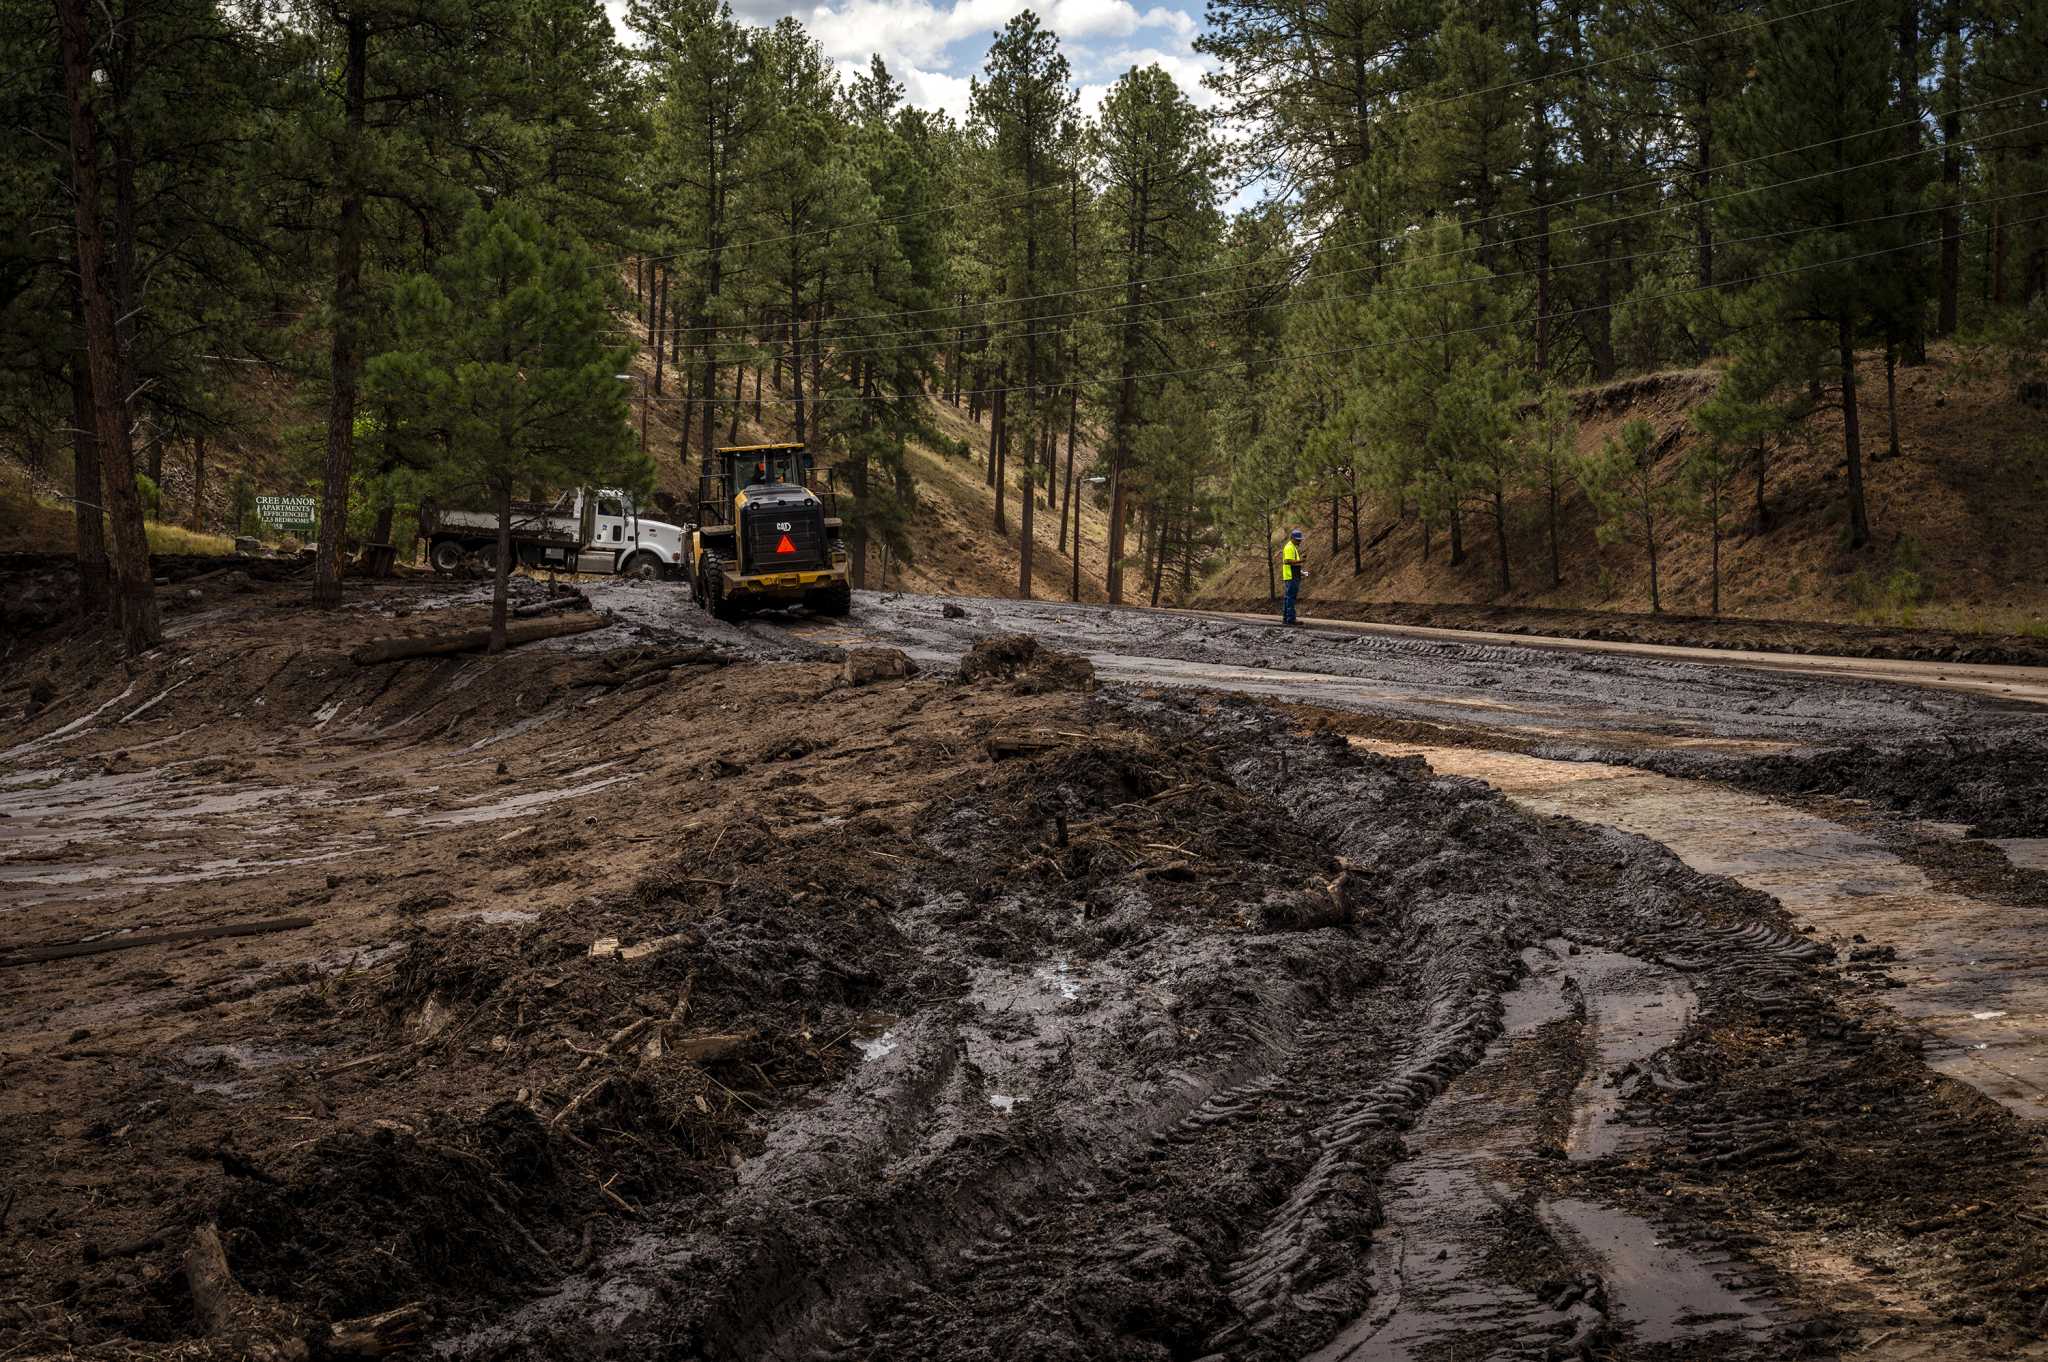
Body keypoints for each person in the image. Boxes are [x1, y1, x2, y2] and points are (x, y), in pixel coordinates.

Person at [1281, 529, 1304, 625]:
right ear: (1292, 538)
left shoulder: (1292, 547)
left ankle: (1287, 618)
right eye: (1297, 540)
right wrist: (1301, 561)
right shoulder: (1289, 547)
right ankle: (1290, 618)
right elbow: (1287, 561)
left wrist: (1301, 571)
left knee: (1288, 597)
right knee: (1291, 598)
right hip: (1291, 576)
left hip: (1292, 575)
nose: (1299, 541)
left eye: (1300, 540)